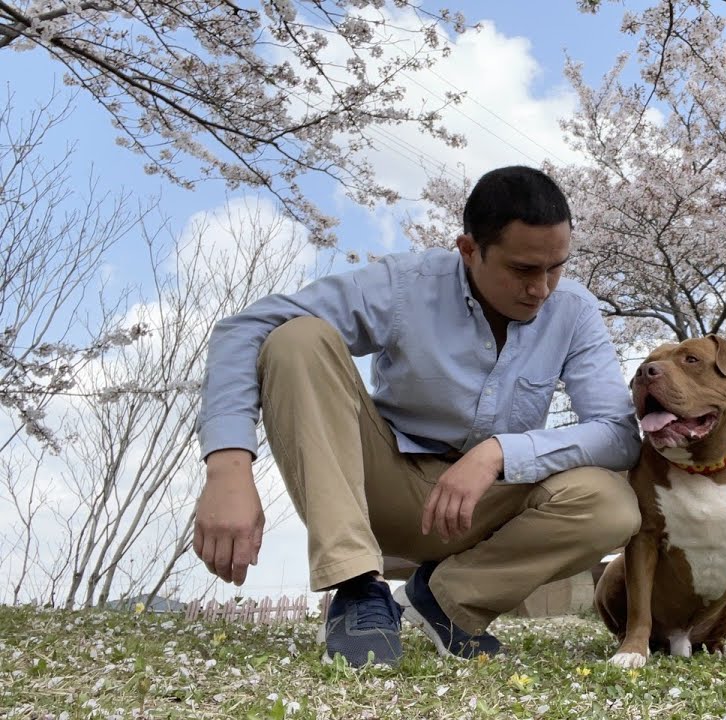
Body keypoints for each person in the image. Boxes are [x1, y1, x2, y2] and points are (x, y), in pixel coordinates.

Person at [193, 166, 642, 667]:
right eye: (522, 270)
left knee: (612, 504)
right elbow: (245, 329)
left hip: (482, 509)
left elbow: (618, 434)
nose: (541, 289)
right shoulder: (406, 283)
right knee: (297, 337)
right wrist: (228, 467)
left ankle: (445, 601)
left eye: (555, 267)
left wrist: (498, 453)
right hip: (380, 486)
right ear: (469, 250)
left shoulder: (575, 312)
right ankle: (356, 588)